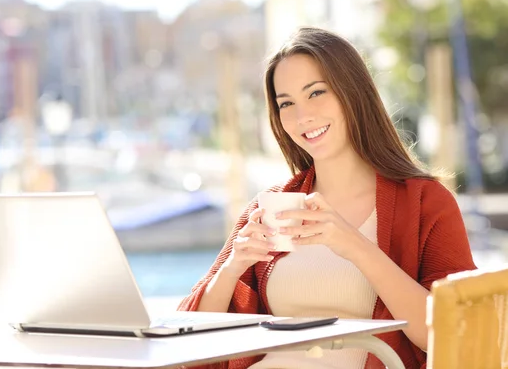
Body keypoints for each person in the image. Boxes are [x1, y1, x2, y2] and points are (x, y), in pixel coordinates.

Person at [177, 27, 477, 369]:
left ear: (353, 93)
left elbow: (454, 334)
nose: (302, 115)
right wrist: (232, 269)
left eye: (316, 93)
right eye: (286, 103)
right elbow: (191, 343)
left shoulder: (425, 203)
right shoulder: (270, 208)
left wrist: (356, 247)